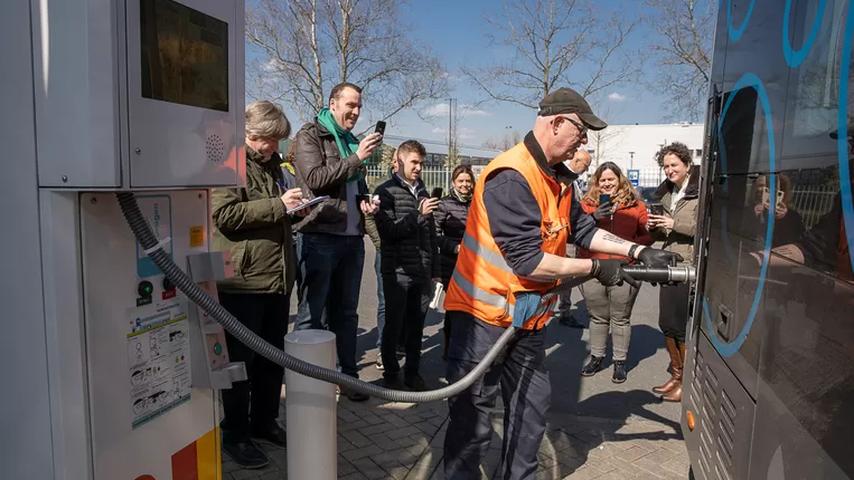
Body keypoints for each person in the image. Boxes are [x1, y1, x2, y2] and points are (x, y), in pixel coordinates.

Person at [442, 87, 683, 479]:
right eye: (581, 130)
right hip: (482, 321)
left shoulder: (557, 181)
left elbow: (585, 231)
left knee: (530, 414)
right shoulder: (511, 176)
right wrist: (593, 269)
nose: (585, 140)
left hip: (527, 322)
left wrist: (637, 253)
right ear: (557, 123)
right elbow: (528, 262)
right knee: (473, 426)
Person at [211, 101, 305, 468]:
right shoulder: (228, 162)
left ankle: (264, 422)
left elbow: (274, 212)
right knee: (239, 365)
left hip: (276, 280)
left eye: (278, 140)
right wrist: (279, 206)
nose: (275, 148)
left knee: (271, 361)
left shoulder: (271, 167)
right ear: (252, 134)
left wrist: (297, 210)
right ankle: (235, 433)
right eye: (270, 140)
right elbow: (225, 215)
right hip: (243, 283)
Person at [292, 82, 382, 402]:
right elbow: (315, 180)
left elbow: (352, 187)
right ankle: (307, 384)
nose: (356, 112)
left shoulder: (350, 141)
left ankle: (348, 376)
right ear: (332, 104)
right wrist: (357, 157)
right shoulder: (310, 135)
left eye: (359, 107)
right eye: (350, 105)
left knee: (347, 313)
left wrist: (366, 202)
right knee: (311, 314)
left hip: (351, 239)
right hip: (319, 236)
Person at [576, 162, 653, 383]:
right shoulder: (586, 205)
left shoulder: (635, 205)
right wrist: (592, 217)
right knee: (598, 317)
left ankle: (620, 361)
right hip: (592, 268)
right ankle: (597, 357)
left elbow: (646, 236)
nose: (607, 183)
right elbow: (576, 233)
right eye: (603, 180)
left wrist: (633, 253)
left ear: (620, 180)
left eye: (611, 179)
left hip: (625, 268)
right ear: (597, 182)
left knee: (620, 318)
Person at [374, 140, 441, 390]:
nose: (419, 168)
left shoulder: (423, 192)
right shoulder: (385, 192)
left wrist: (435, 272)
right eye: (414, 162)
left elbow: (431, 235)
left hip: (421, 271)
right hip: (397, 270)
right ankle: (391, 372)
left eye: (421, 163)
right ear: (399, 161)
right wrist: (417, 215)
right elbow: (388, 232)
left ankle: (413, 372)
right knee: (394, 324)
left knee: (416, 326)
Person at [647, 142, 699, 403]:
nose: (669, 170)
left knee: (679, 325)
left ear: (687, 164)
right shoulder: (668, 193)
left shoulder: (700, 192)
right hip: (668, 262)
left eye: (674, 165)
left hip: (688, 265)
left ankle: (685, 382)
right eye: (665, 166)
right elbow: (663, 232)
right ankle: (676, 375)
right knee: (666, 322)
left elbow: (704, 226)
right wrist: (654, 226)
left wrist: (674, 222)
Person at [434, 164, 475, 358]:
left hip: (474, 264)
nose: (465, 185)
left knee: (472, 307)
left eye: (468, 181)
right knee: (454, 307)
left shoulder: (477, 202)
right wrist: (455, 247)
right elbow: (434, 234)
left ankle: (469, 347)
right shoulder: (444, 204)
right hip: (451, 263)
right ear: (453, 183)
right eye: (461, 181)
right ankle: (450, 348)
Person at [555, 149, 593, 328]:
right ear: (576, 161)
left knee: (568, 278)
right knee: (563, 277)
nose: (586, 170)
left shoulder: (574, 183)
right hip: (564, 238)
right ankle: (562, 311)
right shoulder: (563, 180)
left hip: (572, 237)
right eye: (585, 165)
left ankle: (564, 310)